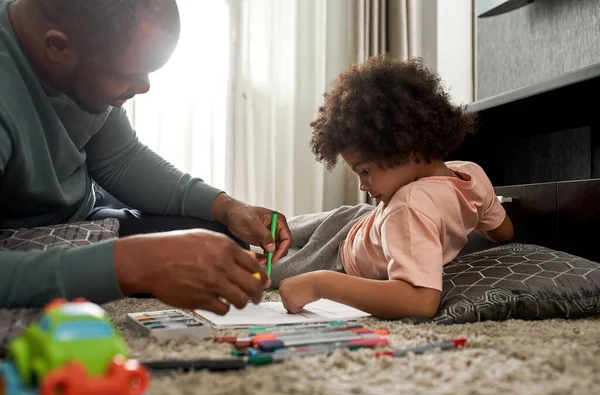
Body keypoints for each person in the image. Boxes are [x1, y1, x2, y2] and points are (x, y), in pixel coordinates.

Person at [0, 0, 293, 312]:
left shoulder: (83, 57)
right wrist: (132, 264)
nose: (143, 87)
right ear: (57, 47)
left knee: (220, 244)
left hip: (81, 216)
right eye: (129, 74)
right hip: (15, 241)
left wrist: (226, 207)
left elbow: (120, 158)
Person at [276, 55, 514, 319]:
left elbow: (419, 302)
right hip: (362, 220)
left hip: (339, 258)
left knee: (266, 268)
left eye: (365, 171)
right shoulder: (472, 174)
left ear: (406, 149)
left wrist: (319, 283)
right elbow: (503, 232)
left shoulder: (410, 206)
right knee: (276, 230)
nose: (362, 184)